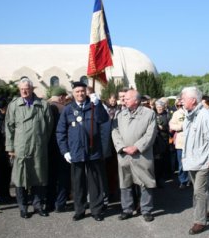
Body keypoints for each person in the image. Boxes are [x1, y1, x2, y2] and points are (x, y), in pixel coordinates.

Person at [56, 81, 109, 222]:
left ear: (86, 92)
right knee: (78, 183)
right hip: (76, 151)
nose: (80, 94)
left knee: (95, 182)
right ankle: (79, 209)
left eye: (82, 91)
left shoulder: (93, 106)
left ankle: (96, 210)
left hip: (93, 150)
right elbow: (60, 132)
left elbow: (104, 119)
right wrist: (65, 151)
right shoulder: (68, 109)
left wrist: (98, 104)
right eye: (77, 91)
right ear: (73, 93)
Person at [6, 77, 55, 218]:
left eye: (26, 89)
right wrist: (10, 147)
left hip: (38, 146)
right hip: (20, 147)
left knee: (38, 176)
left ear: (32, 89)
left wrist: (41, 140)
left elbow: (49, 125)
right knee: (20, 178)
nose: (24, 91)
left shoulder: (43, 105)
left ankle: (38, 205)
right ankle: (23, 207)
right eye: (21, 89)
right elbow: (9, 127)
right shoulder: (14, 105)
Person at [181, 86, 209, 235]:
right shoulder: (189, 114)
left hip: (205, 161)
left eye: (183, 98)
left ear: (193, 100)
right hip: (192, 160)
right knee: (201, 189)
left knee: (198, 191)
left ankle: (199, 221)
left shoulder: (205, 115)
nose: (181, 100)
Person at [111, 89, 157, 222]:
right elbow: (115, 131)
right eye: (123, 98)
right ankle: (127, 209)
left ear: (136, 100)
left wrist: (136, 147)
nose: (123, 100)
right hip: (124, 155)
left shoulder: (149, 114)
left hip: (141, 155)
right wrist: (122, 147)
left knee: (145, 182)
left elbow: (150, 134)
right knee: (125, 182)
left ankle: (146, 209)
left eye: (126, 98)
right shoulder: (120, 114)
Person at [46, 86, 71, 213]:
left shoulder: (44, 107)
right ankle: (60, 204)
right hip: (63, 147)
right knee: (63, 176)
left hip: (47, 148)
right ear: (61, 97)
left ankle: (49, 203)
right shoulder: (65, 109)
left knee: (50, 176)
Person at [169, 98, 190, 188]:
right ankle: (183, 180)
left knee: (191, 162)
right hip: (181, 142)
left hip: (191, 141)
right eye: (180, 105)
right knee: (181, 163)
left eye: (183, 104)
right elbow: (172, 125)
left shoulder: (192, 112)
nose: (182, 106)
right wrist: (181, 126)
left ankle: (191, 179)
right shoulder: (176, 114)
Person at [153, 99, 171, 188]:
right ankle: (157, 179)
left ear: (163, 107)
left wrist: (163, 127)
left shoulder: (167, 115)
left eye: (160, 107)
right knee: (157, 160)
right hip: (156, 140)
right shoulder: (153, 115)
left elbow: (170, 127)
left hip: (164, 139)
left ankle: (164, 176)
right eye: (158, 107)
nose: (159, 109)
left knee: (164, 159)